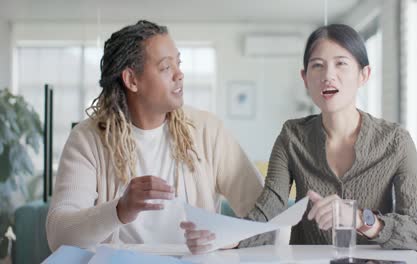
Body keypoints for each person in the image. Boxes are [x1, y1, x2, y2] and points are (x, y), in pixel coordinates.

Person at [188, 24, 417, 254]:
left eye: (341, 64)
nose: (328, 75)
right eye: (317, 65)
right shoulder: (292, 136)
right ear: (305, 78)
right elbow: (270, 208)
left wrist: (360, 219)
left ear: (364, 74)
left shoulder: (396, 141)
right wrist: (231, 237)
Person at [46, 20, 263, 252]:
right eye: (166, 67)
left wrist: (228, 239)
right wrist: (119, 210)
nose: (180, 74)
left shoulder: (208, 131)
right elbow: (59, 235)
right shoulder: (87, 139)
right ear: (132, 80)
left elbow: (267, 216)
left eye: (178, 64)